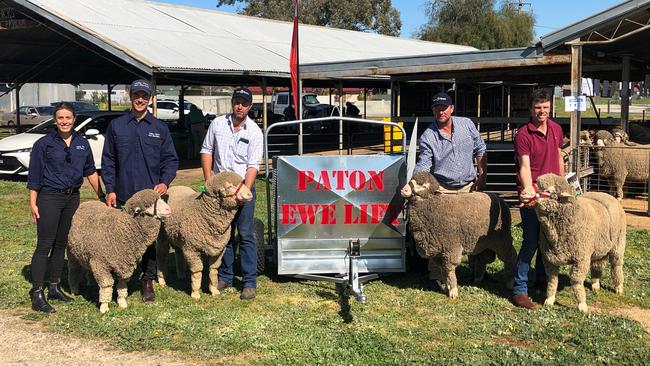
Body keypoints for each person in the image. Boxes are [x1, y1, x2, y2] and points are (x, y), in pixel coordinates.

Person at [101, 79, 178, 303]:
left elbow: (170, 160)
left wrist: (165, 182)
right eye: (137, 95)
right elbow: (108, 161)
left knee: (147, 239)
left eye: (145, 95)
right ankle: (118, 278)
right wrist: (110, 189)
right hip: (123, 193)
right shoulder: (117, 126)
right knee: (119, 237)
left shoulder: (159, 128)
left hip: (149, 198)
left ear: (150, 98)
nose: (140, 99)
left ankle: (147, 280)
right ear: (130, 96)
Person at [27, 102, 105, 313]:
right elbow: (34, 175)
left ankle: (54, 286)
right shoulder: (44, 144)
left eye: (68, 118)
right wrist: (33, 202)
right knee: (45, 244)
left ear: (74, 119)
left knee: (62, 243)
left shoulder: (82, 143)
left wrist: (102, 196)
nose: (64, 121)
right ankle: (37, 293)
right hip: (49, 197)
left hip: (72, 199)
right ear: (55, 119)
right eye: (60, 118)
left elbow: (90, 171)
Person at [414, 91, 487, 289]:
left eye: (444, 107)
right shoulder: (428, 136)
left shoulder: (467, 125)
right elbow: (424, 163)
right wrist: (417, 181)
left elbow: (480, 148)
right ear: (433, 110)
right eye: (437, 107)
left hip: (467, 187)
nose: (441, 111)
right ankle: (436, 275)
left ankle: (477, 271)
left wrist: (482, 173)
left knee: (474, 228)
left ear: (451, 108)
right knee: (438, 232)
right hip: (443, 190)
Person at [200, 87, 263, 300]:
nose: (239, 106)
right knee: (223, 233)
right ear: (232, 102)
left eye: (244, 103)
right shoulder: (217, 124)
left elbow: (253, 164)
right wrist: (209, 179)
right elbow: (207, 150)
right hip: (221, 190)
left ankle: (249, 281)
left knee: (245, 234)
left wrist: (245, 187)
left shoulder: (254, 131)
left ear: (250, 106)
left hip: (243, 188)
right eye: (237, 101)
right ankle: (225, 275)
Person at [511, 89, 564, 310]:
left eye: (545, 107)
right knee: (531, 240)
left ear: (550, 107)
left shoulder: (556, 129)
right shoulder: (523, 134)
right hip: (532, 194)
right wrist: (528, 190)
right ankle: (519, 289)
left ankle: (542, 279)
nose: (541, 111)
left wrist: (562, 184)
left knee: (548, 239)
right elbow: (524, 166)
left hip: (552, 194)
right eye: (537, 107)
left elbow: (559, 155)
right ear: (531, 109)